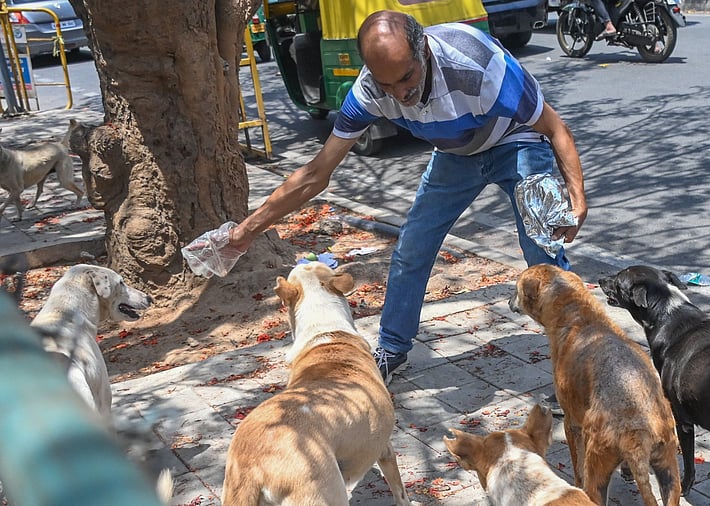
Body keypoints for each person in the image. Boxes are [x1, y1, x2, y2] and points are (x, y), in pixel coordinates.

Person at [216, 10, 587, 385]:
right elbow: (315, 174)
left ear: (423, 49)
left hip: (515, 139)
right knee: (412, 248)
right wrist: (247, 230)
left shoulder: (478, 66)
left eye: (406, 77)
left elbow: (556, 129)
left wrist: (577, 196)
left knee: (542, 253)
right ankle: (392, 349)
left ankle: (577, 366)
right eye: (386, 83)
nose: (400, 94)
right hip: (456, 155)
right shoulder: (369, 91)